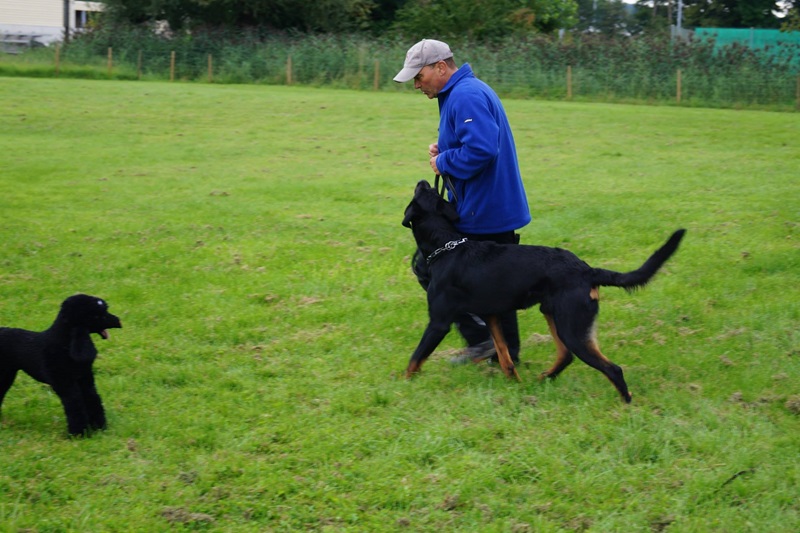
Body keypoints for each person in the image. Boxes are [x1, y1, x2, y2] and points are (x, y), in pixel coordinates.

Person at [394, 39, 531, 364]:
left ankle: (489, 342)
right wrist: (446, 149)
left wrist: (444, 162)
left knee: (434, 270)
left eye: (419, 76)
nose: (416, 84)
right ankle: (498, 347)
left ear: (441, 67)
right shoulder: (463, 92)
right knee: (487, 280)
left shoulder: (465, 95)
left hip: (485, 209)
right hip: (488, 205)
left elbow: (483, 149)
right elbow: (473, 143)